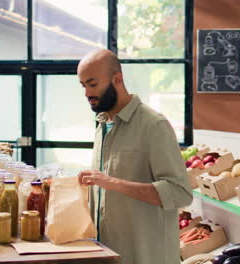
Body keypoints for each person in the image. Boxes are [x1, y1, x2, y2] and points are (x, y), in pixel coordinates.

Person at [77, 49, 193, 264]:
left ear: (117, 79)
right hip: (108, 255)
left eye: (92, 85)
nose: (87, 94)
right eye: (83, 86)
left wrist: (111, 182)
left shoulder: (154, 125)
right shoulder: (102, 125)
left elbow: (180, 193)